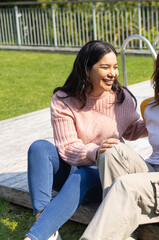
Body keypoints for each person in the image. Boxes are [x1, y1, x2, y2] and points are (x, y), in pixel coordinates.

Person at [80, 45, 159, 240]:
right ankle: (121, 231)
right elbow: (132, 129)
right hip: (154, 170)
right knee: (111, 149)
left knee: (125, 185)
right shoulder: (148, 106)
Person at [24, 40, 147, 240]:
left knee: (84, 174)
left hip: (104, 176)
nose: (113, 73)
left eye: (115, 67)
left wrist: (157, 119)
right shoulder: (64, 99)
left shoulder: (120, 97)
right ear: (87, 70)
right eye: (105, 67)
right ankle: (46, 225)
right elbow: (68, 147)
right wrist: (95, 151)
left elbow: (132, 130)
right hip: (73, 166)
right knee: (39, 148)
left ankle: (34, 237)